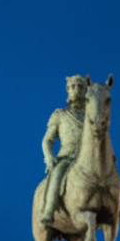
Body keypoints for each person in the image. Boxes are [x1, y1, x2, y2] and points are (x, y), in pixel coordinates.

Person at [39, 75, 88, 227]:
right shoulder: (59, 114)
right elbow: (48, 139)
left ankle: (114, 209)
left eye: (80, 87)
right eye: (73, 87)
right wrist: (48, 157)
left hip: (88, 158)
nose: (76, 90)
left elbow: (101, 136)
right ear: (68, 90)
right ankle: (49, 210)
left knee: (108, 174)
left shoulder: (90, 115)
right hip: (67, 157)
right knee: (57, 175)